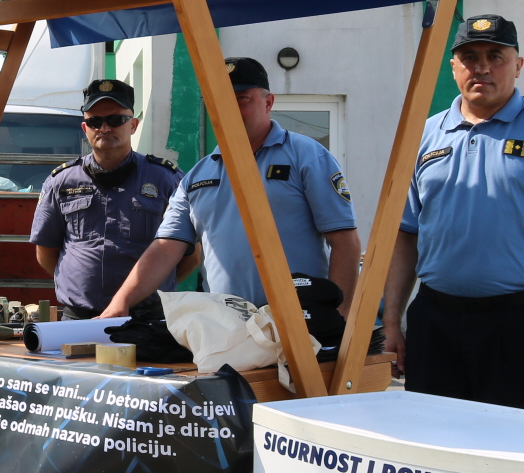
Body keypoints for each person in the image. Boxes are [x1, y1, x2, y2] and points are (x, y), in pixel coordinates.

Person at [381, 14, 524, 413]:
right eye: (469, 56)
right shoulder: (424, 134)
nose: (482, 66)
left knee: (514, 453)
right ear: (453, 67)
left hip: (517, 325)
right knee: (433, 448)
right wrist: (392, 322)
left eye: (495, 56)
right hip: (435, 322)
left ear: (518, 64)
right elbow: (405, 236)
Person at [100, 58, 362, 318]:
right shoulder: (198, 175)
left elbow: (344, 242)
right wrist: (121, 302)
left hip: (299, 322)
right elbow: (166, 247)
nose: (228, 107)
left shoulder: (307, 156)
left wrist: (338, 315)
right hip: (225, 327)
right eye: (219, 99)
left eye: (241, 98)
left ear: (269, 102)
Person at [31, 78, 190, 318]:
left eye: (115, 120)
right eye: (95, 121)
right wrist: (82, 283)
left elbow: (190, 253)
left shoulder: (167, 179)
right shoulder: (61, 181)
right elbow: (46, 250)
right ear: (85, 129)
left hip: (146, 317)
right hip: (79, 317)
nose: (105, 128)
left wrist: (153, 287)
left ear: (133, 125)